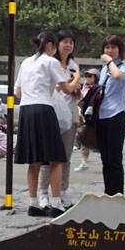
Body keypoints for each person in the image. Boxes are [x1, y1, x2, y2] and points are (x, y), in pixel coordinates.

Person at [14, 31, 80, 217]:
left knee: (34, 159)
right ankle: (57, 203)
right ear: (51, 45)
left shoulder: (26, 62)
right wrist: (76, 77)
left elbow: (18, 93)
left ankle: (33, 203)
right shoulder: (51, 61)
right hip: (44, 108)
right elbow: (67, 89)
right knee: (56, 158)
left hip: (26, 110)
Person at [38, 28, 81, 210]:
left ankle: (62, 191)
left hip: (69, 115)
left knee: (66, 157)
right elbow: (57, 87)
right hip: (51, 114)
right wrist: (70, 84)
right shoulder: (49, 64)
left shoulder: (74, 66)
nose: (68, 45)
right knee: (47, 157)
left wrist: (77, 89)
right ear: (56, 44)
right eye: (65, 42)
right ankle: (43, 193)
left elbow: (75, 92)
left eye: (71, 42)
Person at [96, 34, 125, 197]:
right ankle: (108, 191)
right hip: (102, 115)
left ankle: (118, 193)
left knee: (115, 157)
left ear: (120, 50)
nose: (110, 50)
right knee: (105, 158)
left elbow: (118, 76)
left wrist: (109, 61)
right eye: (107, 47)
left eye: (113, 47)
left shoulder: (124, 67)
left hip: (116, 114)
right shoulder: (104, 70)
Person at [76, 68, 100, 171]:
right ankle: (84, 161)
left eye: (90, 76)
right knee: (84, 138)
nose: (88, 78)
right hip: (84, 115)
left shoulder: (98, 89)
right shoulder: (85, 88)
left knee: (98, 139)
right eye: (86, 76)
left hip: (95, 117)